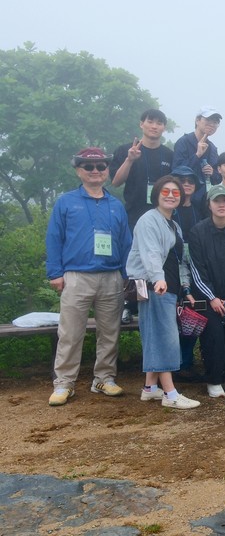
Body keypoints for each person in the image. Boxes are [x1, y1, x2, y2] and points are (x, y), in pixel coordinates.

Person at [45, 147, 132, 406]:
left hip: (111, 276)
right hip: (76, 276)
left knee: (110, 332)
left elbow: (126, 242)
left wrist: (128, 274)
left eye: (101, 167)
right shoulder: (66, 202)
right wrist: (55, 273)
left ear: (107, 170)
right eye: (88, 166)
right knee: (70, 333)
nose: (95, 171)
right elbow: (54, 238)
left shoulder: (116, 205)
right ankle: (64, 383)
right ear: (78, 170)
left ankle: (104, 378)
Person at [126, 175, 200, 409]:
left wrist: (186, 287)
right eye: (165, 191)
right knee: (164, 338)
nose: (170, 195)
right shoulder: (149, 220)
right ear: (156, 194)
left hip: (170, 289)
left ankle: (150, 388)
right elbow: (151, 254)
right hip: (154, 288)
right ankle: (170, 394)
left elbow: (180, 260)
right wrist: (158, 280)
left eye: (175, 192)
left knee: (155, 335)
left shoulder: (173, 224)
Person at [188, 185, 225, 398]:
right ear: (209, 204)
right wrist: (212, 298)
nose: (221, 205)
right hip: (207, 297)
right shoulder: (197, 232)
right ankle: (213, 380)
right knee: (213, 336)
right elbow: (197, 270)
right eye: (216, 201)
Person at [109, 108, 174, 227]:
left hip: (162, 217)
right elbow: (116, 182)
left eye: (159, 123)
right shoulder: (125, 150)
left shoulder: (169, 155)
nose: (154, 126)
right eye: (150, 122)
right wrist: (129, 160)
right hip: (133, 216)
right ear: (141, 124)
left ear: (164, 128)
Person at [171, 165, 206, 381]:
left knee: (192, 313)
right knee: (173, 316)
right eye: (182, 180)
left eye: (190, 181)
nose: (186, 184)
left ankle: (187, 362)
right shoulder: (169, 209)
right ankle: (173, 364)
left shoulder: (199, 209)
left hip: (195, 265)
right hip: (171, 267)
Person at [173, 107, 222, 201]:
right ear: (197, 120)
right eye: (208, 120)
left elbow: (218, 177)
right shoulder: (183, 142)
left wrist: (212, 173)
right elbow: (176, 171)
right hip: (183, 198)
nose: (212, 124)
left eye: (215, 122)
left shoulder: (212, 148)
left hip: (205, 199)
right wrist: (197, 155)